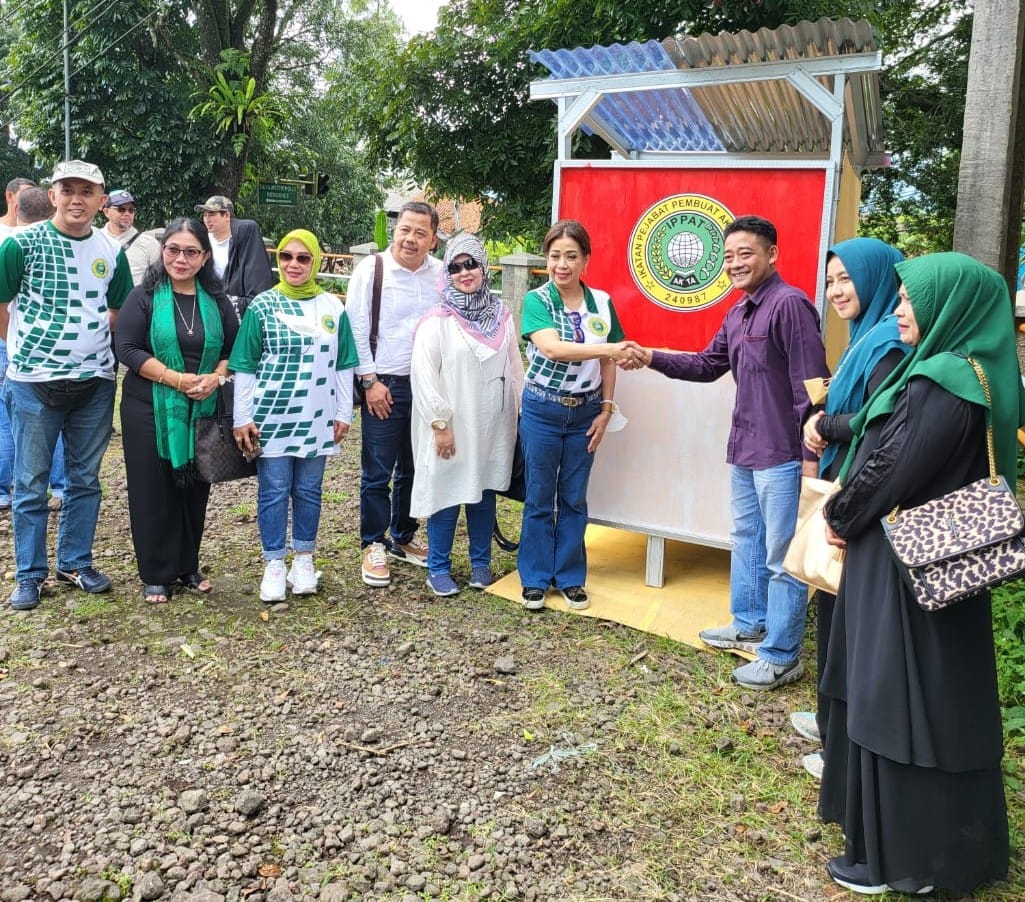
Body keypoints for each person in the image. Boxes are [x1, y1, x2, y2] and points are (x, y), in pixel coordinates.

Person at [818, 252, 1017, 896]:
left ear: (949, 306)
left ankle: (895, 857)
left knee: (893, 699)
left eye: (911, 299)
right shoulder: (981, 373)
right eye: (899, 296)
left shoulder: (940, 380)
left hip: (902, 567)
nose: (900, 309)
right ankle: (944, 843)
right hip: (946, 561)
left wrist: (841, 513)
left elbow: (888, 468)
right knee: (944, 699)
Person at [621, 215, 829, 689]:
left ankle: (781, 655)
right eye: (730, 255)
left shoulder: (790, 305)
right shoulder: (737, 313)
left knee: (782, 557)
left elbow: (812, 385)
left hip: (783, 454)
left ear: (772, 255)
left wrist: (811, 458)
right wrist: (650, 355)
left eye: (746, 253)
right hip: (744, 448)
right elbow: (706, 365)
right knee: (747, 540)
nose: (735, 263)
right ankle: (749, 622)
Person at [791, 237, 908, 781]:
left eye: (847, 279)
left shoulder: (889, 342)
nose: (837, 290)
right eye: (831, 279)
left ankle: (839, 745)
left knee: (844, 620)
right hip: (846, 485)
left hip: (860, 496)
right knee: (832, 608)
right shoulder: (868, 335)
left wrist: (823, 424)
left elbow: (877, 423)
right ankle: (828, 721)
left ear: (879, 278)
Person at [0, 160, 133, 610]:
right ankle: (30, 574)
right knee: (31, 482)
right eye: (67, 189)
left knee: (85, 479)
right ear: (52, 195)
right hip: (33, 383)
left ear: (101, 200)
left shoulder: (111, 251)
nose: (77, 198)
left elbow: (117, 312)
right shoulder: (21, 244)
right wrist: (23, 349)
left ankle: (75, 561)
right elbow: (1, 305)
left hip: (94, 382)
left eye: (87, 191)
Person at [230, 229, 358, 602]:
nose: (294, 265)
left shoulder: (333, 307)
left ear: (316, 261)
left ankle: (303, 557)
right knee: (274, 490)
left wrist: (343, 412)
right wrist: (242, 417)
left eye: (303, 258)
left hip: (317, 415)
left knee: (308, 490)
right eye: (287, 257)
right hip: (271, 416)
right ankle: (273, 562)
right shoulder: (262, 306)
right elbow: (245, 364)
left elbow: (344, 362)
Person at [115, 218, 237, 604]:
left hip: (202, 406)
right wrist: (176, 379)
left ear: (204, 257)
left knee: (193, 485)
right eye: (173, 250)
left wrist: (216, 378)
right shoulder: (144, 296)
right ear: (162, 251)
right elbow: (129, 350)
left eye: (190, 252)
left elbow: (233, 351)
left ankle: (187, 565)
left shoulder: (217, 300)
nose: (180, 259)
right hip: (149, 405)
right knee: (154, 486)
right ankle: (156, 572)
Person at [518, 219, 627, 612]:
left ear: (585, 260)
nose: (561, 264)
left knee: (575, 498)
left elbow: (610, 363)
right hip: (543, 409)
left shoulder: (602, 302)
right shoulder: (537, 301)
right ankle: (533, 578)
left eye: (570, 256)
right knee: (540, 496)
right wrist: (610, 351)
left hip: (585, 412)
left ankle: (569, 578)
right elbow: (554, 349)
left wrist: (606, 408)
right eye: (554, 256)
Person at [410, 233, 524, 596]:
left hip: (494, 422)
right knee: (447, 489)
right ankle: (438, 566)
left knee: (483, 488)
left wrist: (523, 413)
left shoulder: (502, 316)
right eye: (456, 267)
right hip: (453, 423)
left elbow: (515, 366)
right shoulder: (437, 320)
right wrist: (440, 423)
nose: (464, 272)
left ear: (483, 266)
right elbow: (424, 376)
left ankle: (481, 564)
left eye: (471, 263)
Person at [349, 201, 442, 587]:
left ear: (433, 240)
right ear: (394, 230)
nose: (410, 239)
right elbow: (355, 327)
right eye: (405, 229)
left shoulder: (441, 275)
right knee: (378, 470)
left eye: (421, 232)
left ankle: (403, 535)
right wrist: (370, 381)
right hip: (384, 382)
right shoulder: (372, 269)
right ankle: (373, 542)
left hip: (426, 384)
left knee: (414, 466)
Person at [0, 184, 51, 511]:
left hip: (13, 340)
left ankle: (5, 490)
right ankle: (58, 486)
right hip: (37, 343)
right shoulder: (49, 244)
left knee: (7, 416)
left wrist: (9, 342)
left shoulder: (11, 240)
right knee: (54, 417)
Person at [195, 195, 274, 322]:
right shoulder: (202, 243)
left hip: (232, 310)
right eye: (205, 215)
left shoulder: (242, 239)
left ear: (226, 216)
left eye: (211, 214)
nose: (207, 219)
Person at [101, 189, 162, 286]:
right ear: (106, 212)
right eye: (121, 209)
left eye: (131, 210)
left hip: (135, 300)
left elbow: (160, 279)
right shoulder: (96, 240)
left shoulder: (149, 244)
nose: (127, 213)